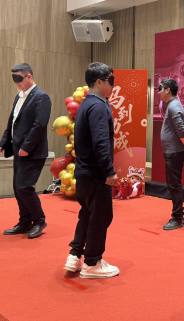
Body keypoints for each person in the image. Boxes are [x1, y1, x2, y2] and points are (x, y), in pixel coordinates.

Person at [63, 62, 120, 279]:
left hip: (84, 172)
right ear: (99, 82)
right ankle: (92, 262)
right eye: (111, 80)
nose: (113, 85)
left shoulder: (87, 103)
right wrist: (109, 171)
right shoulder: (98, 106)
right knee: (101, 216)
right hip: (96, 174)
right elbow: (101, 141)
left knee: (87, 214)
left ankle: (75, 254)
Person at [0, 63, 51, 239]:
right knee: (17, 187)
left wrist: (26, 146)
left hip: (33, 152)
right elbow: (12, 122)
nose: (16, 82)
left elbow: (39, 125)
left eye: (18, 78)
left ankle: (39, 221)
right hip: (18, 150)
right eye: (14, 79)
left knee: (24, 187)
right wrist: (4, 141)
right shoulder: (19, 97)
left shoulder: (42, 97)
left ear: (29, 76)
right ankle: (25, 221)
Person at [158, 78, 184, 230]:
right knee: (174, 184)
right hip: (172, 152)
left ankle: (178, 218)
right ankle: (178, 216)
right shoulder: (172, 105)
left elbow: (180, 129)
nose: (158, 92)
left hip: (174, 153)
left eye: (160, 88)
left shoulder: (174, 106)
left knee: (174, 185)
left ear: (167, 90)